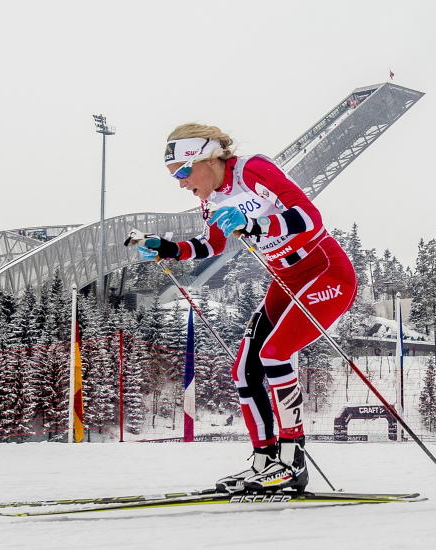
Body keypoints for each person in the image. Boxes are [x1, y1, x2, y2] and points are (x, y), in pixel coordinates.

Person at [125, 123, 358, 493]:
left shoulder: (252, 170)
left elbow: (309, 217)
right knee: (244, 369)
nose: (182, 183)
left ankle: (292, 461)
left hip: (325, 272)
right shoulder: (211, 199)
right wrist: (168, 249)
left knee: (276, 354)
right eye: (175, 177)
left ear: (207, 158)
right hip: (286, 280)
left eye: (184, 172)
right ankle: (265, 460)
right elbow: (212, 245)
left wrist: (254, 223)